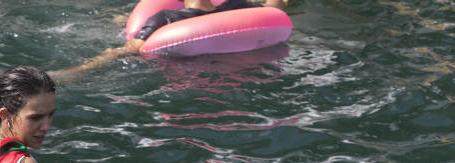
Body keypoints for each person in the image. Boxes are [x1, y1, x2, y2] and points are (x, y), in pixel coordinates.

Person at [49, 0, 289, 79]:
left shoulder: (165, 17)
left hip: (180, 72)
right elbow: (274, 9)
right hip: (244, 65)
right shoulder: (237, 6)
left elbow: (129, 49)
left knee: (118, 25)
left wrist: (78, 69)